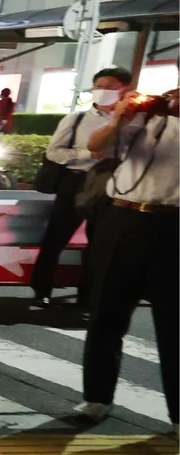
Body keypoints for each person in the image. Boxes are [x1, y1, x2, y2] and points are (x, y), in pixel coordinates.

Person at [74, 88, 176, 432]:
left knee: (173, 323)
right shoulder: (149, 113)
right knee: (105, 311)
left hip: (173, 224)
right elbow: (97, 145)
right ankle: (97, 397)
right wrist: (121, 116)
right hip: (122, 219)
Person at [32, 68, 126, 309]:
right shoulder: (76, 119)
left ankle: (90, 295)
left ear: (125, 89)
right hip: (75, 183)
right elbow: (54, 151)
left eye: (111, 86)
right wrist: (89, 154)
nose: (103, 90)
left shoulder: (132, 121)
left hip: (111, 186)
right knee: (56, 238)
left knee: (100, 244)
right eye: (99, 85)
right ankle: (42, 289)